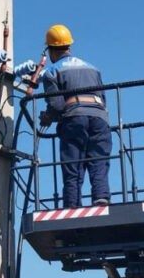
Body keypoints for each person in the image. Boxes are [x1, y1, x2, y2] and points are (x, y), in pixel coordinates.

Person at [39, 24, 111, 209]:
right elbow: (104, 98)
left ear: (51, 51)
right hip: (99, 118)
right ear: (69, 46)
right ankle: (101, 198)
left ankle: (72, 205)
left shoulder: (51, 72)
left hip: (74, 119)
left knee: (73, 165)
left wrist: (48, 118)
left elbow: (56, 105)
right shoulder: (93, 69)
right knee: (98, 161)